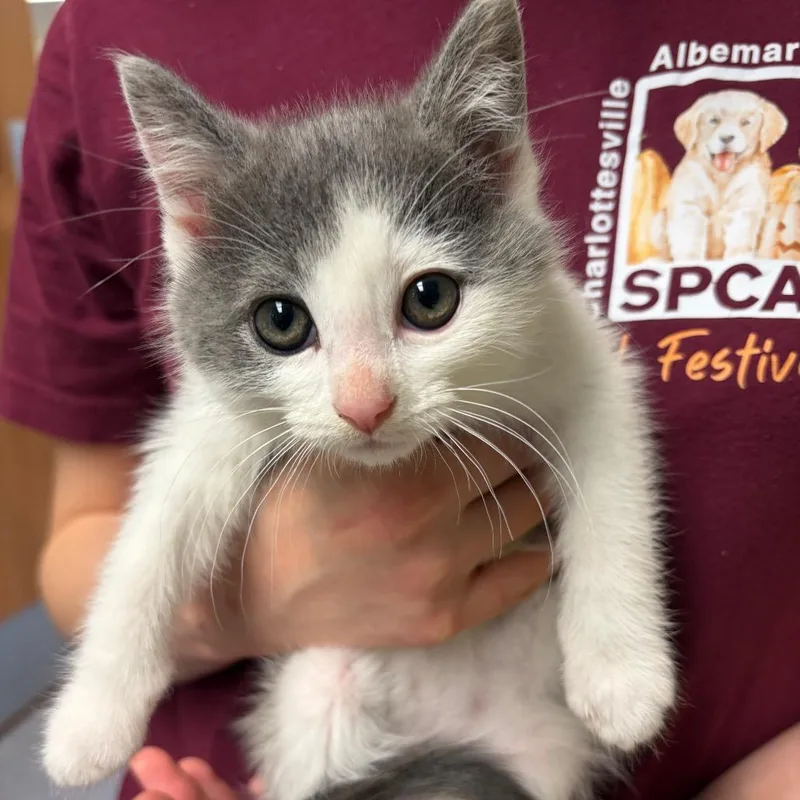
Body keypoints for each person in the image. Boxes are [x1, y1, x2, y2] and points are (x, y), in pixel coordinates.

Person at [1, 0, 798, 798]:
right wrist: (124, 675)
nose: (363, 403)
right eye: (285, 324)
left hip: (526, 705)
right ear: (193, 228)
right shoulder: (114, 24)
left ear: (498, 170)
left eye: (426, 302)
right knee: (315, 694)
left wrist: (612, 632)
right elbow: (152, 513)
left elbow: (600, 409)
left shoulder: (550, 325)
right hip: (306, 725)